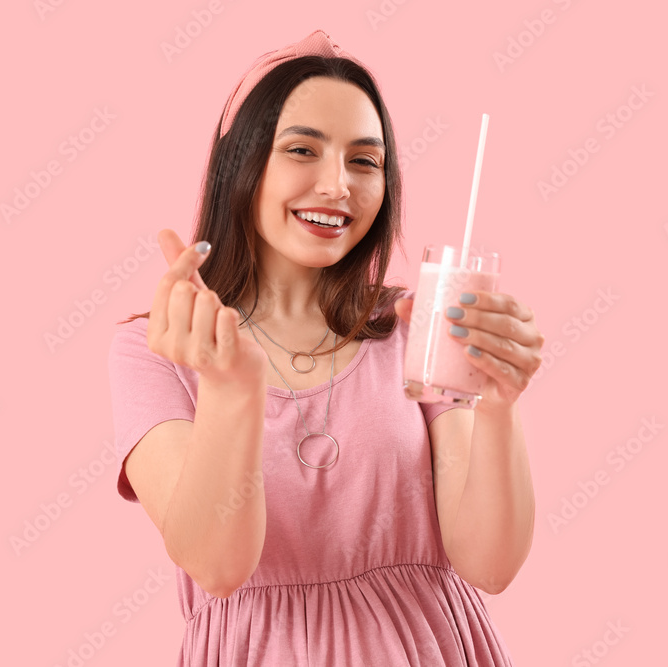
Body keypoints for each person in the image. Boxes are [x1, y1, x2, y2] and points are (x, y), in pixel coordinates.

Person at [108, 29, 543, 666]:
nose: (338, 185)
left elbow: (491, 563)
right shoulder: (155, 350)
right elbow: (217, 564)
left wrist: (500, 406)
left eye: (364, 162)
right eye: (302, 150)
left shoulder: (409, 324)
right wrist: (231, 388)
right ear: (245, 164)